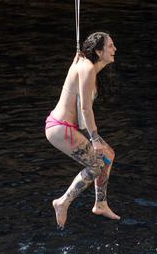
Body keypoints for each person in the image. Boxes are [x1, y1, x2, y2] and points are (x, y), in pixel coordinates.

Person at [45, 31, 120, 228]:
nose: (115, 49)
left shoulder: (87, 67)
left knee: (108, 156)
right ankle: (62, 202)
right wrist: (94, 138)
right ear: (98, 50)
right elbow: (85, 109)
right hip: (60, 128)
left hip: (69, 127)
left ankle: (100, 204)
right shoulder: (86, 69)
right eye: (110, 46)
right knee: (96, 165)